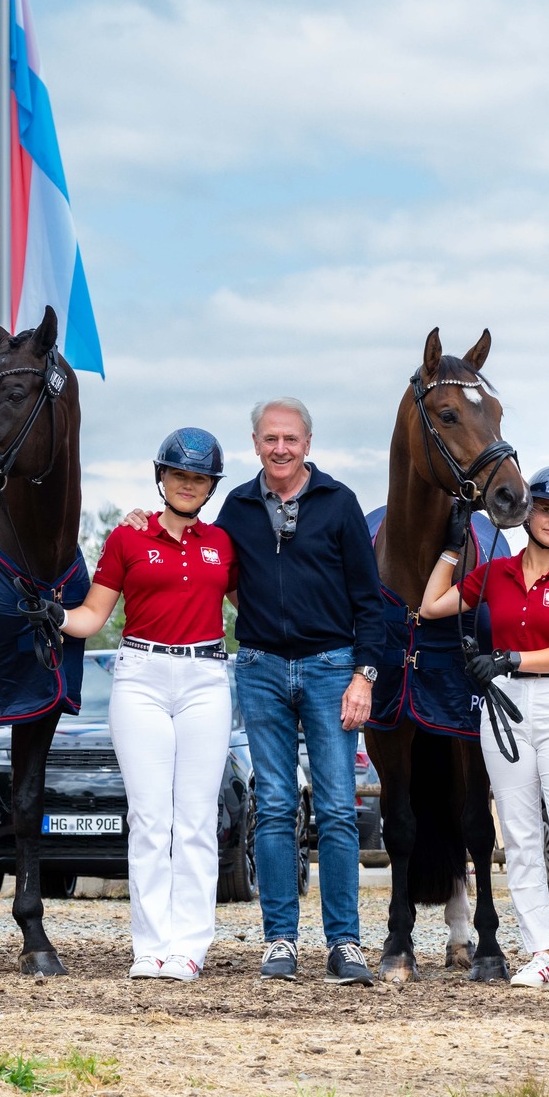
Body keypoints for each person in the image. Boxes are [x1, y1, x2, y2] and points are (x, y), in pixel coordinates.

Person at [213, 398, 385, 985]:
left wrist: (364, 675)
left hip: (332, 668)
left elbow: (370, 601)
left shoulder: (339, 503)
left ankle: (344, 944)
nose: (280, 448)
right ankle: (280, 940)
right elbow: (218, 572)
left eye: (290, 439)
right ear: (255, 443)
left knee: (336, 808)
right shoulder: (236, 506)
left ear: (308, 443)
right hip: (260, 667)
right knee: (275, 807)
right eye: (270, 439)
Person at [422, 465, 549, 990]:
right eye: (546, 509)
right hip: (505, 704)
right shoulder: (495, 573)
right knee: (521, 835)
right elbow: (432, 605)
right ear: (528, 513)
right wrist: (453, 546)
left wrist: (509, 658)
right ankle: (541, 953)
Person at [60, 429, 236, 982]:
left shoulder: (223, 543)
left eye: (199, 478)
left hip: (206, 678)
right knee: (149, 818)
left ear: (211, 486)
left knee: (196, 820)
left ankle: (189, 948)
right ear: (161, 477)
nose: (188, 485)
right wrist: (52, 615)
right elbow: (92, 615)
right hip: (140, 676)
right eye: (179, 474)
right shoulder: (126, 538)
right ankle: (151, 946)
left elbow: (257, 608)